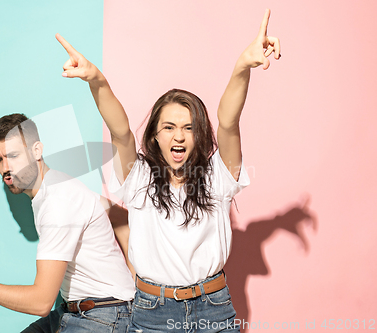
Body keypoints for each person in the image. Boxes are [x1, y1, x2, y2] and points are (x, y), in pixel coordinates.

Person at [56, 8, 280, 332]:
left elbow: (229, 121)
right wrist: (96, 80)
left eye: (188, 128)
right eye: (169, 127)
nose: (179, 136)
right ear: (156, 135)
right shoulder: (139, 179)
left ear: (199, 134)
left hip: (212, 307)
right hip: (152, 311)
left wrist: (243, 66)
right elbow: (119, 130)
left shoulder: (217, 176)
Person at [0, 113, 136, 333]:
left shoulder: (58, 203)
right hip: (76, 311)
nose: (6, 168)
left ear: (36, 151)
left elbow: (41, 302)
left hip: (103, 316)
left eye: (13, 156)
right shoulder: (59, 185)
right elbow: (122, 219)